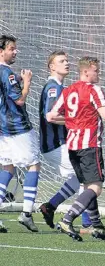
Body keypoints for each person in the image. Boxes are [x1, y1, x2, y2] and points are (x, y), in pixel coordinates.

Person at [47, 56, 105, 241]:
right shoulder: (94, 90)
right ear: (86, 71)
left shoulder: (68, 90)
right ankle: (68, 219)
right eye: (96, 70)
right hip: (89, 145)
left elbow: (51, 116)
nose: (99, 74)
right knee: (95, 187)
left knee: (87, 185)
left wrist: (72, 121)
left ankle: (97, 226)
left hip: (73, 146)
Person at [38, 51, 91, 231]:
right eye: (61, 61)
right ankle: (87, 222)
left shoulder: (61, 87)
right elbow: (50, 116)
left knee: (79, 178)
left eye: (67, 60)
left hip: (59, 143)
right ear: (52, 67)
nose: (66, 63)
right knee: (87, 177)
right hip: (55, 144)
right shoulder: (54, 88)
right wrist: (76, 120)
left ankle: (50, 207)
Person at [0, 34, 41, 233]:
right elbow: (19, 100)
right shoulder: (6, 73)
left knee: (7, 168)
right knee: (34, 164)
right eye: (11, 48)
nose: (15, 51)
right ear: (1, 52)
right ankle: (26, 213)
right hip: (17, 126)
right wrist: (26, 82)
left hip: (2, 129)